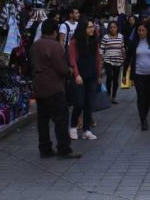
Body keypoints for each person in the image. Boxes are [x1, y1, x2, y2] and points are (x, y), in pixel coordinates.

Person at [31, 19, 82, 159]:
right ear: (54, 32)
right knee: (61, 118)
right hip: (54, 87)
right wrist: (70, 71)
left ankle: (45, 148)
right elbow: (62, 68)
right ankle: (64, 148)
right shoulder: (55, 46)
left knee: (43, 119)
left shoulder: (35, 46)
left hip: (39, 86)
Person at [67, 17, 102, 140]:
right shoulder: (74, 42)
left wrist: (98, 75)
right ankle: (73, 126)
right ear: (83, 28)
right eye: (89, 27)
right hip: (80, 76)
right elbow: (72, 60)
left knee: (89, 103)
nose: (92, 29)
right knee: (79, 102)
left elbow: (97, 58)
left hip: (91, 75)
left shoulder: (94, 41)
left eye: (92, 27)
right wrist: (77, 74)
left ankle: (86, 130)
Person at [125, 21, 150, 130]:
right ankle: (143, 120)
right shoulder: (134, 43)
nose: (141, 32)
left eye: (143, 30)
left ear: (147, 31)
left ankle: (144, 114)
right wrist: (124, 74)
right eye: (139, 30)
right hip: (138, 74)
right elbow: (128, 58)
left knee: (148, 97)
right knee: (141, 96)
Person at [101, 20, 125, 104]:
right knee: (109, 77)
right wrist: (101, 60)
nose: (112, 29)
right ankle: (108, 94)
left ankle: (114, 96)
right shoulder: (105, 37)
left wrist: (124, 57)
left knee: (115, 79)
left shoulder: (121, 37)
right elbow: (102, 49)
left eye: (114, 27)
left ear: (117, 28)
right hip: (108, 60)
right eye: (111, 27)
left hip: (118, 61)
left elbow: (122, 48)